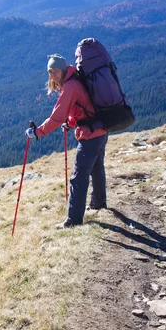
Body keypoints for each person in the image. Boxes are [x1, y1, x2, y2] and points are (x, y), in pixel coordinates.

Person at [25, 54, 108, 229]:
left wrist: (37, 132)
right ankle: (99, 202)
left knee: (79, 177)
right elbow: (83, 108)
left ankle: (74, 220)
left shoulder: (70, 86)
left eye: (55, 71)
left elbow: (57, 117)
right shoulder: (75, 80)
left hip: (90, 135)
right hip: (100, 130)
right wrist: (71, 123)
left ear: (63, 70)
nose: (53, 75)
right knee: (96, 167)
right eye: (50, 72)